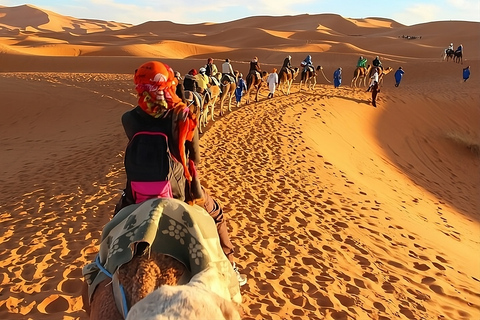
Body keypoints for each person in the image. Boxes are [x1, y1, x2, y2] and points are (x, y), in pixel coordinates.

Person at [121, 61, 246, 285]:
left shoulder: (128, 118)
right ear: (169, 83)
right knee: (217, 215)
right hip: (178, 190)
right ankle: (231, 266)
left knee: (116, 225)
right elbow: (195, 159)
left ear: (139, 85)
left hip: (136, 192)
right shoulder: (182, 114)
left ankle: (100, 269)